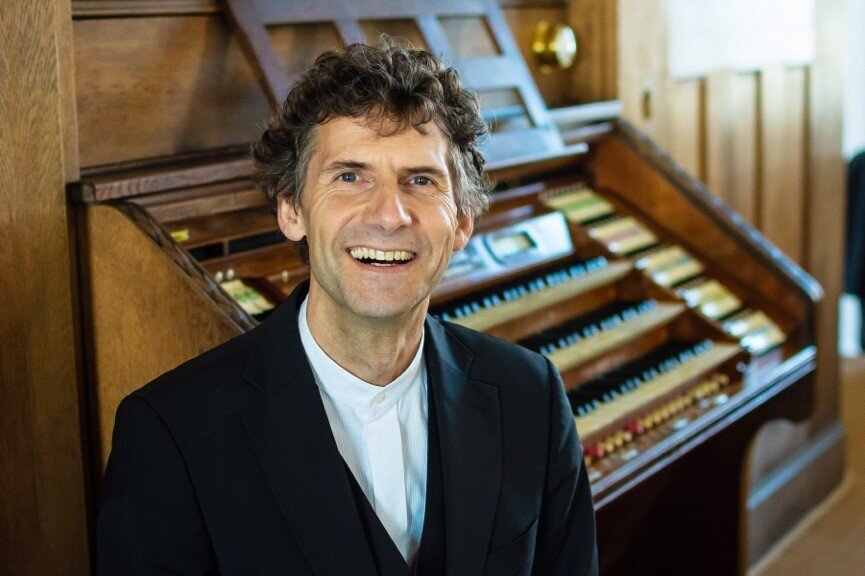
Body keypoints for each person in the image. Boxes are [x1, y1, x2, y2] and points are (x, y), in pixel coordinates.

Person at [97, 39, 598, 576]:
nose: (389, 215)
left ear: (462, 221)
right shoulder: (170, 435)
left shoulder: (532, 396)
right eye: (350, 176)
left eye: (421, 180)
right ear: (291, 210)